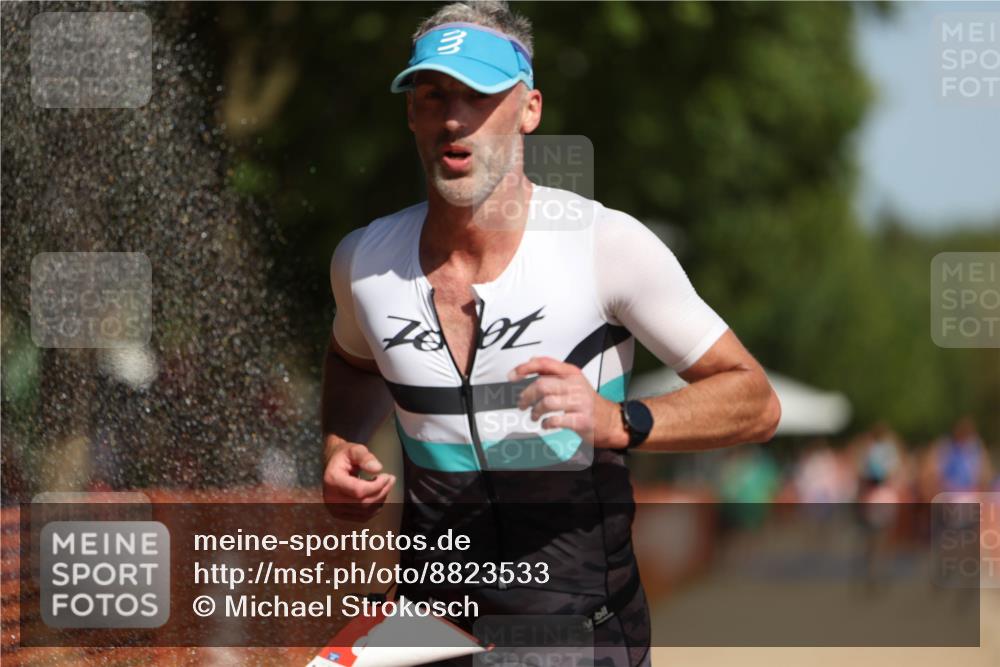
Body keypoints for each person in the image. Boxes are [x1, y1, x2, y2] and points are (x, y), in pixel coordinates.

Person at [320, 3, 780, 665]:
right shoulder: (364, 261)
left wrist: (619, 419)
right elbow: (353, 361)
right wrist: (341, 442)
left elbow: (755, 400)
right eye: (433, 96)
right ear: (411, 114)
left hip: (572, 631)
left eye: (478, 95)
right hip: (427, 625)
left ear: (529, 108)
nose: (454, 118)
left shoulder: (606, 245)